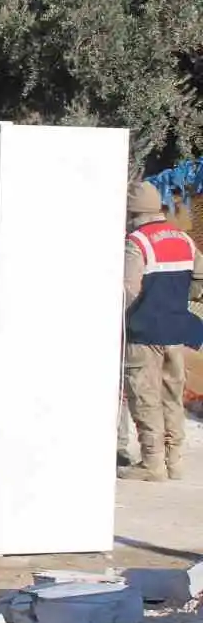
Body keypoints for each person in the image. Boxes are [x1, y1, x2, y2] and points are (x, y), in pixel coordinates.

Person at [119, 181, 203, 482]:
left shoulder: (137, 241)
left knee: (144, 396)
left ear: (133, 211)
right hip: (176, 331)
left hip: (144, 333)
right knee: (172, 397)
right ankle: (175, 460)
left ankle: (152, 463)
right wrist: (179, 299)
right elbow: (198, 275)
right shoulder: (182, 238)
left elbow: (128, 290)